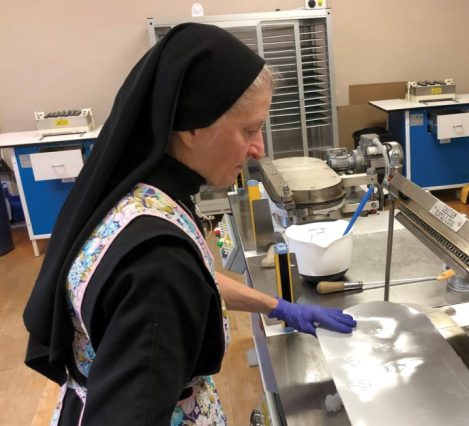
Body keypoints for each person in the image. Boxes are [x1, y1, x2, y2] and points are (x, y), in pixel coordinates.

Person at [23, 23, 356, 425]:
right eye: (248, 129)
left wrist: (280, 307)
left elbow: (198, 281)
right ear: (192, 127)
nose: (259, 148)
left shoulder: (139, 199)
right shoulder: (158, 264)